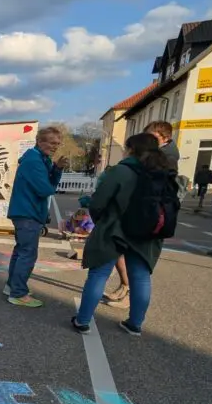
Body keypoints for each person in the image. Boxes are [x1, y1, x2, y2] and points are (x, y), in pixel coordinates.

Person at [71, 133, 172, 336]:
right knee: (140, 278)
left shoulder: (121, 171)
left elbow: (99, 202)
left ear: (131, 149)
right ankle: (135, 324)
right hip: (147, 234)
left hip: (115, 230)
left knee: (99, 274)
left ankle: (82, 321)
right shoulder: (163, 173)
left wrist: (102, 222)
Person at [4, 126, 67, 306]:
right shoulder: (35, 161)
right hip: (28, 213)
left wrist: (56, 168)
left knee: (21, 252)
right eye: (51, 143)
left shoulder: (40, 158)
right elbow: (46, 189)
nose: (55, 147)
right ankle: (18, 293)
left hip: (25, 212)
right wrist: (55, 170)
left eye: (57, 144)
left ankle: (12, 286)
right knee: (27, 254)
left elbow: (48, 185)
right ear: (40, 141)